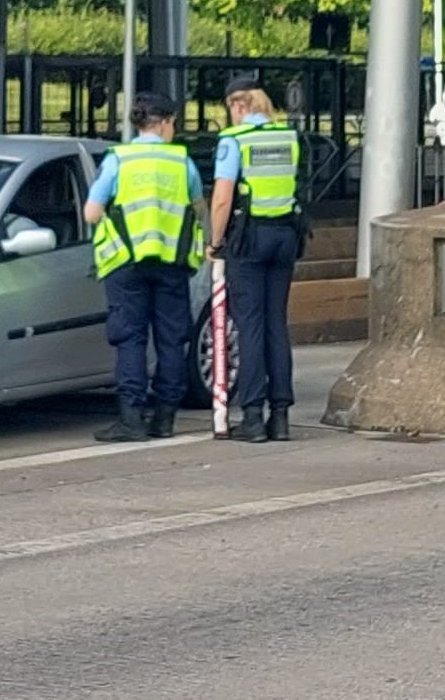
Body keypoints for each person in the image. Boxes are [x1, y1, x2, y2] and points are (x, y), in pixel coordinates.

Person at [86, 88, 200, 442]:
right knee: (170, 340)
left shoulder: (118, 160)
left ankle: (131, 419)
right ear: (165, 123)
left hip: (126, 263)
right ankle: (165, 418)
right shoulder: (182, 162)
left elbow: (91, 212)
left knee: (130, 339)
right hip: (171, 263)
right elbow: (199, 208)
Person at [208, 82, 305, 442]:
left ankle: (252, 416)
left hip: (249, 239)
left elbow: (222, 198)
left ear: (237, 105)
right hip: (285, 236)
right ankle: (280, 417)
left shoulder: (235, 139)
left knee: (250, 325)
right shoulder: (288, 137)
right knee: (276, 323)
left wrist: (215, 242)